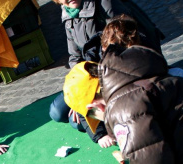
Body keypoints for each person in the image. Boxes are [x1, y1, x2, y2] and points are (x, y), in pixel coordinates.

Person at [49, 0, 162, 148]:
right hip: (91, 74)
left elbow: (126, 42)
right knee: (57, 112)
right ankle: (106, 120)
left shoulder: (105, 4)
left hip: (115, 71)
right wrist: (77, 93)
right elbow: (75, 58)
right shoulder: (68, 14)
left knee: (78, 122)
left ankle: (113, 121)